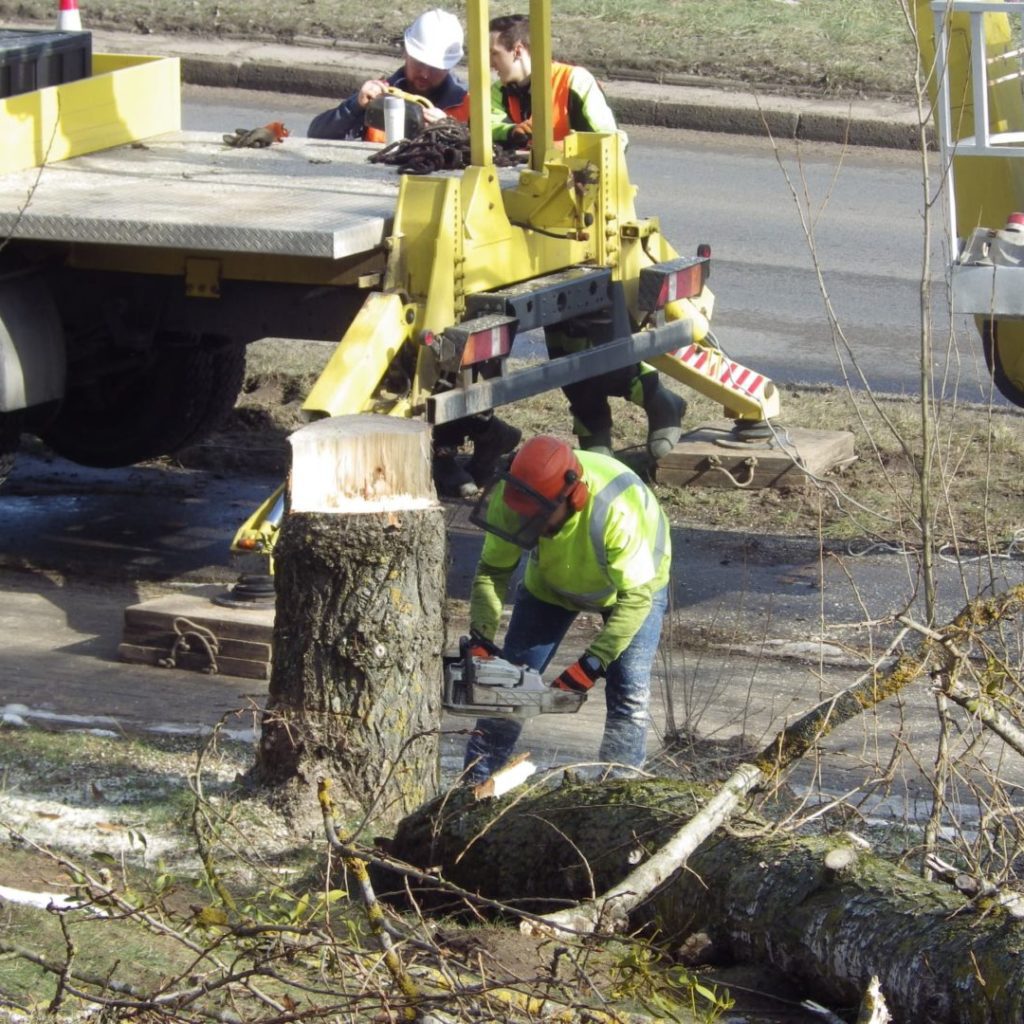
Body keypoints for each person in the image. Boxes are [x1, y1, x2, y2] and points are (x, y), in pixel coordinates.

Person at [487, 14, 685, 461]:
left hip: (594, 232)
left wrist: (557, 153)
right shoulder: (503, 94)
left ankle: (661, 402)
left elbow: (611, 143)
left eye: (495, 55)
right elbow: (487, 125)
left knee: (605, 352)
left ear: (518, 50)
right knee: (565, 358)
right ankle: (596, 452)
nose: (491, 66)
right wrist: (512, 134)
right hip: (541, 234)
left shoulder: (573, 82)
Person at [463, 435, 670, 783]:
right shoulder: (513, 497)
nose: (530, 524)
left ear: (573, 496)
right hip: (552, 583)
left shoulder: (617, 512)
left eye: (539, 516)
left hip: (634, 589)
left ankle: (617, 791)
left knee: (629, 694)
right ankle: (473, 786)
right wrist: (481, 635)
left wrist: (592, 663)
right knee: (508, 685)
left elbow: (636, 600)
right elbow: (493, 570)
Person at [308, 9, 471, 141]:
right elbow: (317, 135)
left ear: (449, 66)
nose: (425, 74)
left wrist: (451, 130)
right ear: (406, 53)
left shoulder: (468, 103)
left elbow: (490, 155)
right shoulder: (380, 94)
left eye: (435, 68)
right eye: (419, 63)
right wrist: (355, 107)